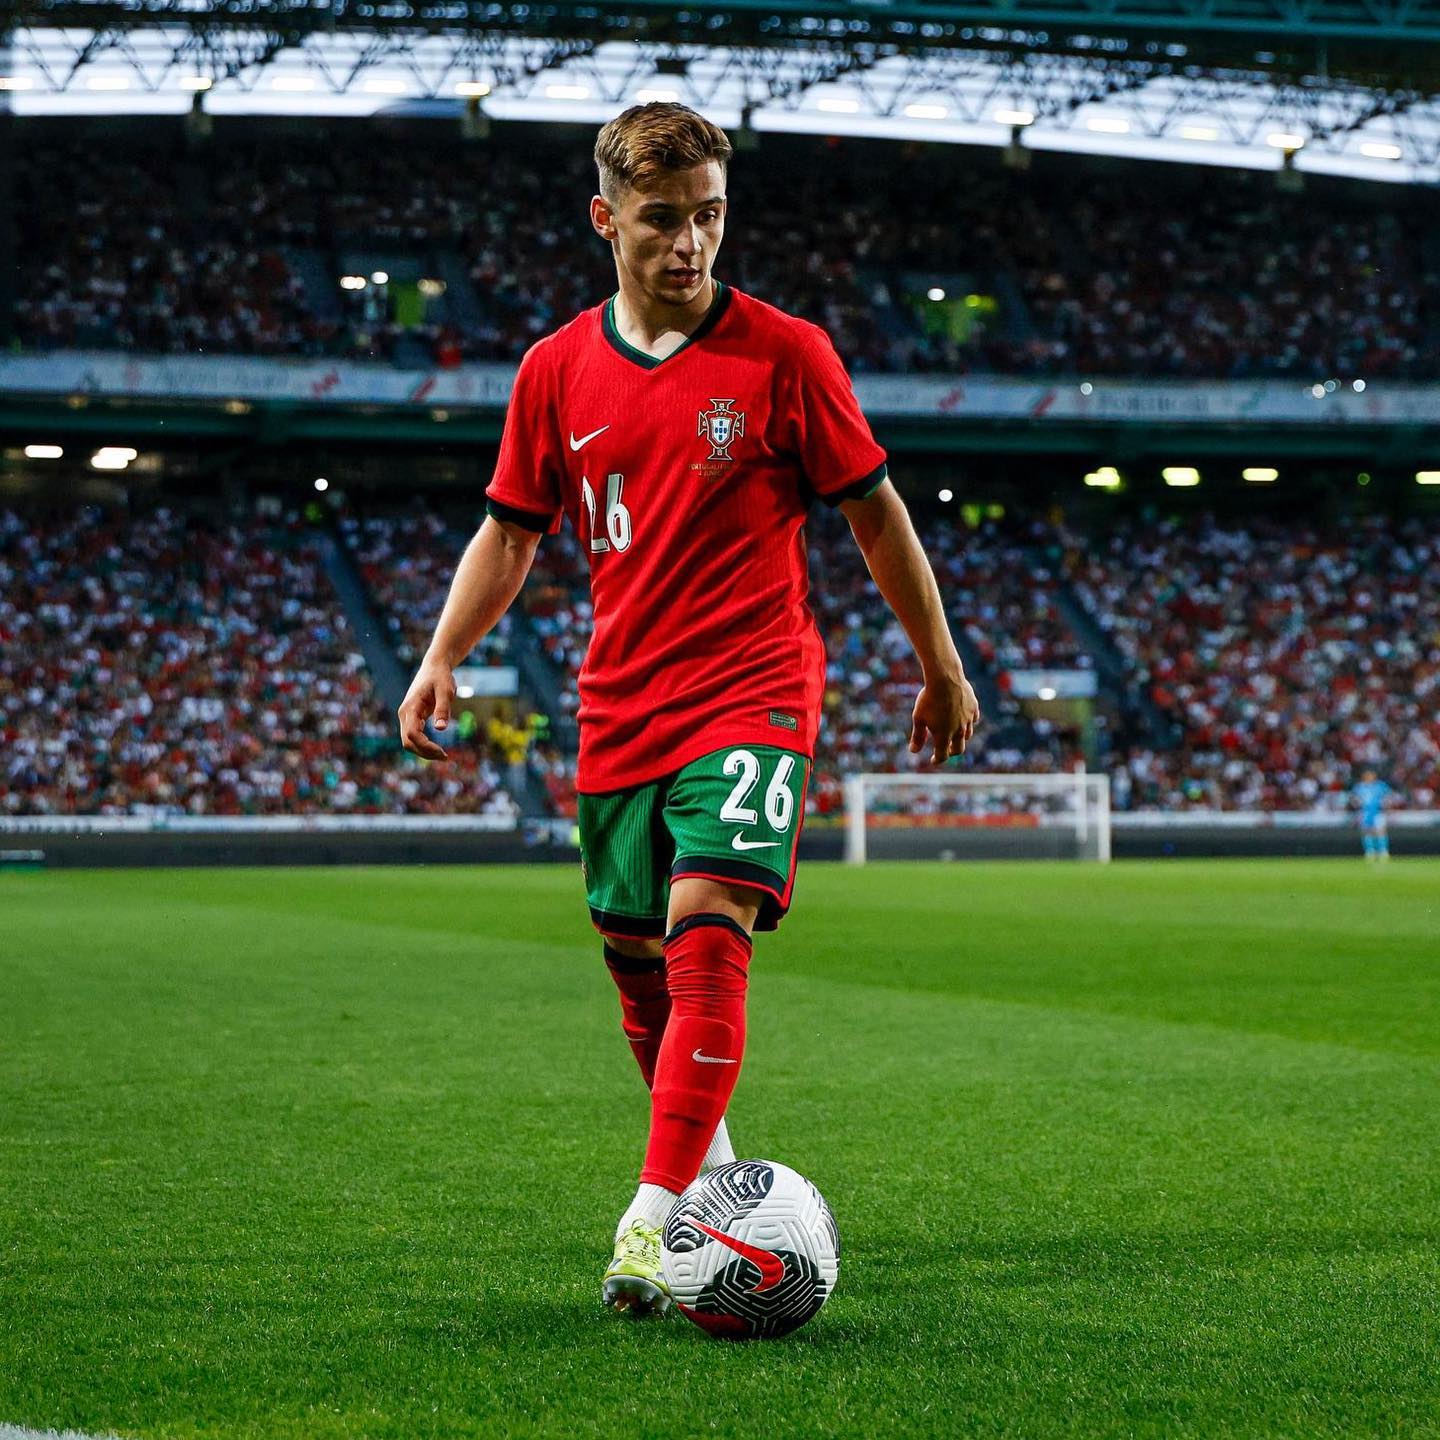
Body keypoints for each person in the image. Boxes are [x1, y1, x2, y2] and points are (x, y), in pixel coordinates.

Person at [397, 102, 979, 1318]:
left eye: (710, 215)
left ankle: (650, 1222)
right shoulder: (555, 371)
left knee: (707, 922)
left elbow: (875, 513)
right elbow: (511, 532)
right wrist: (444, 652)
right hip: (619, 705)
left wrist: (939, 660)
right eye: (664, 220)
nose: (691, 244)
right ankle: (712, 1187)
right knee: (636, 966)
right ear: (607, 219)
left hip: (755, 689)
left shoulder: (788, 355)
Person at [1353, 768, 1392, 863]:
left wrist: (1386, 805)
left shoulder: (1381, 786)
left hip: (1378, 812)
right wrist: (1356, 803)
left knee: (1380, 831)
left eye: (1371, 775)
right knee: (1367, 831)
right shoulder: (1359, 787)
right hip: (1365, 812)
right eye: (1367, 775)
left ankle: (1383, 851)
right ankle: (1370, 852)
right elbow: (1354, 799)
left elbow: (1388, 797)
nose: (1369, 777)